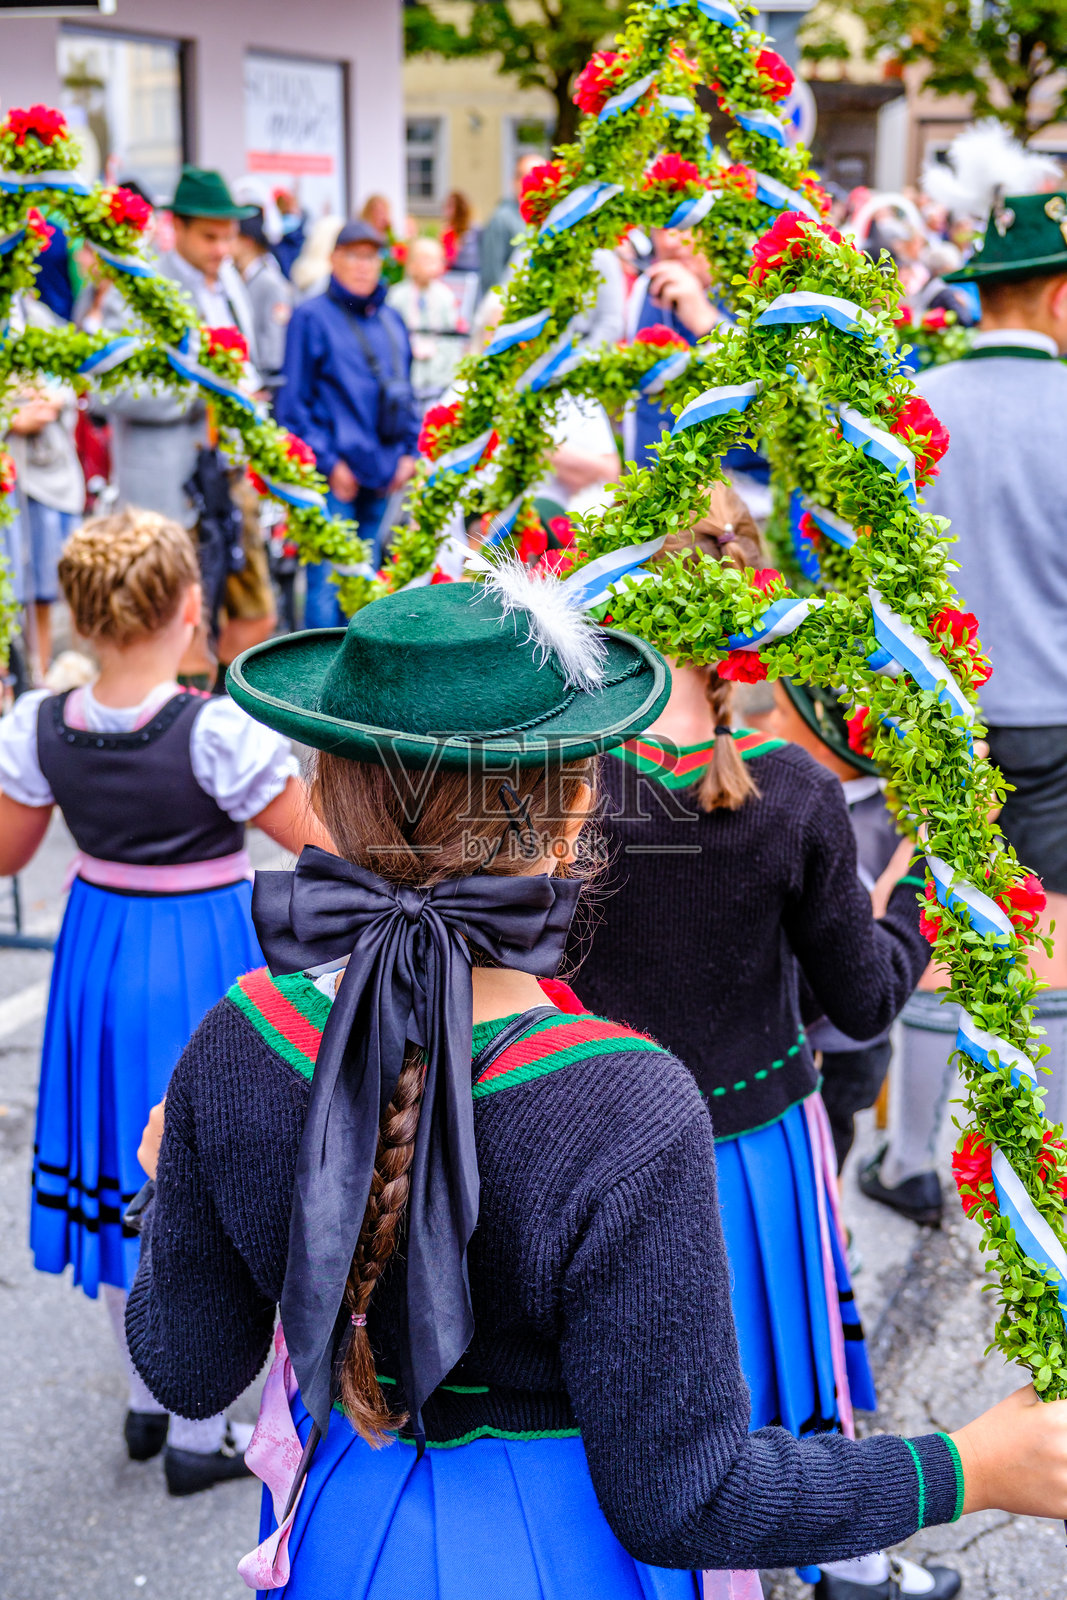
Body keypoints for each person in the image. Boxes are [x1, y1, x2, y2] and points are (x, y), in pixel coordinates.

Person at [125, 578, 1067, 1596]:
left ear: (322, 798)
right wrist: (966, 1465)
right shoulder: (626, 1106)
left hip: (338, 1533)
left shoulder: (239, 1035)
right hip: (560, 1556)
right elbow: (685, 1495)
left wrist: (169, 1189)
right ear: (579, 815)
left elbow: (184, 1367)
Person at [567, 501, 958, 1600]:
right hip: (750, 1143)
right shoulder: (791, 792)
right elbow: (865, 997)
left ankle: (651, 1563)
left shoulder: (570, 787)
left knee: (634, 1377)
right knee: (783, 1361)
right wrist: (909, 904)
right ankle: (847, 1556)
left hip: (599, 1139)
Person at [0, 510, 327, 1494]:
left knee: (117, 1164)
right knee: (206, 1170)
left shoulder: (39, 725)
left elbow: (11, 855)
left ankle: (150, 1400)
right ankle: (197, 1430)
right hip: (198, 955)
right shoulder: (215, 728)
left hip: (99, 953)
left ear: (90, 617)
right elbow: (316, 842)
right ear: (191, 609)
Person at [863, 191, 1067, 1219]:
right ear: (1059, 297)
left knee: (936, 926)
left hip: (939, 715)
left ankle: (911, 1165)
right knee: (1054, 943)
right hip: (1057, 716)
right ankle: (1053, 1178)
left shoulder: (911, 405)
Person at [103, 165, 276, 678]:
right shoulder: (139, 290)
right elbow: (113, 389)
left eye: (228, 236)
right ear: (174, 227)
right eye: (209, 236)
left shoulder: (228, 281)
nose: (223, 248)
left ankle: (221, 714)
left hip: (228, 477)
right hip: (170, 489)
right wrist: (205, 393)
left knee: (257, 615)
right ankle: (183, 731)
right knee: (178, 625)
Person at [767, 678, 906, 1174]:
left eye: (782, 715)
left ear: (831, 731)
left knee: (836, 1130)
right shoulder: (774, 796)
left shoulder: (893, 817)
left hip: (849, 1036)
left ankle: (834, 1228)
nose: (767, 724)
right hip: (784, 1030)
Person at [276, 218, 419, 623]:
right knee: (326, 586)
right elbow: (293, 407)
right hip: (335, 478)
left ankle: (362, 681)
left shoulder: (392, 320)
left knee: (370, 587)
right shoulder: (310, 318)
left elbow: (406, 393)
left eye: (371, 256)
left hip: (383, 476)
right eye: (354, 255)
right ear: (334, 258)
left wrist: (410, 453)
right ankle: (316, 683)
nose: (363, 265)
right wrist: (329, 464)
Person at [4, 292, 85, 676]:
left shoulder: (36, 316)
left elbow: (66, 379)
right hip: (10, 463)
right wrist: (10, 416)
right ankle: (14, 674)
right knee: (11, 580)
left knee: (42, 581)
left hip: (43, 470)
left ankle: (40, 668)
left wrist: (49, 400)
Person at [622, 225, 722, 468]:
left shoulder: (750, 286)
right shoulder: (644, 287)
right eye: (661, 228)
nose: (670, 242)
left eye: (687, 226)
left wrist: (707, 323)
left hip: (735, 493)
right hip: (645, 484)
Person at [386, 235, 461, 404]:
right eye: (427, 260)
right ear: (412, 264)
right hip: (408, 376)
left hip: (438, 376)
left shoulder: (445, 297)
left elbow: (451, 336)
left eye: (436, 260)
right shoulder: (397, 296)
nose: (433, 266)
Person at [233, 207, 294, 388]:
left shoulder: (270, 282)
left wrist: (265, 378)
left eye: (232, 237)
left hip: (265, 379)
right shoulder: (241, 277)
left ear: (247, 242)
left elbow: (276, 338)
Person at [478, 151, 542, 298]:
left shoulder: (545, 218)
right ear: (515, 181)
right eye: (530, 177)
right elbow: (492, 274)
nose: (537, 183)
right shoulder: (502, 219)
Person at [440, 188, 480, 272]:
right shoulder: (448, 231)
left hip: (470, 271)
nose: (446, 210)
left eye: (450, 206)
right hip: (452, 272)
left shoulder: (474, 230)